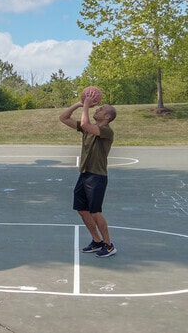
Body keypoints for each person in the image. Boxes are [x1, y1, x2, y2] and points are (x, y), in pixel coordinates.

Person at [59, 90, 117, 257]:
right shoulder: (88, 130)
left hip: (97, 176)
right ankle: (96, 241)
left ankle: (109, 245)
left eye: (101, 109)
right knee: (82, 209)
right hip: (84, 175)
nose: (97, 109)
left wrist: (85, 105)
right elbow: (63, 118)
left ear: (107, 117)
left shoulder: (106, 131)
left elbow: (85, 124)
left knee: (95, 211)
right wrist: (79, 103)